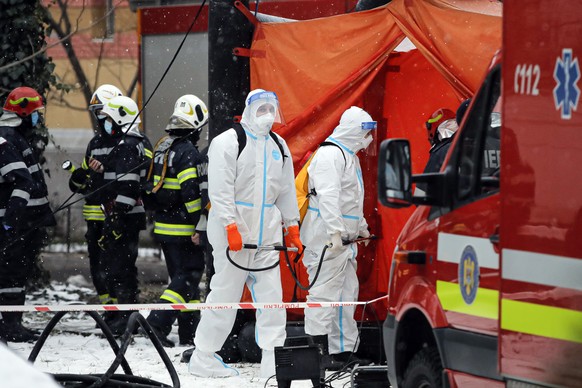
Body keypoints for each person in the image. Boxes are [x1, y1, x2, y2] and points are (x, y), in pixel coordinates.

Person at [188, 89, 303, 379]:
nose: (267, 115)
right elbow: (220, 189)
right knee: (225, 294)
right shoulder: (228, 141)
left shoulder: (279, 146)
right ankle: (204, 356)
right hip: (233, 232)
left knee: (271, 298)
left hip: (266, 233)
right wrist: (229, 225)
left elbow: (287, 190)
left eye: (271, 109)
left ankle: (273, 360)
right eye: (261, 108)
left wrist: (292, 226)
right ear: (249, 109)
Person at [299, 106, 376, 370]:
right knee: (323, 297)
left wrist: (361, 227)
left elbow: (351, 201)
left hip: (344, 242)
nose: (369, 138)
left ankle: (341, 352)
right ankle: (317, 352)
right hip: (327, 241)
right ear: (353, 130)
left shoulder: (349, 157)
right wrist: (334, 231)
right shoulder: (330, 155)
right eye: (365, 132)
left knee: (345, 296)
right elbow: (328, 197)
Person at [144, 95, 209, 347]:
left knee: (183, 281)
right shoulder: (187, 153)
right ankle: (157, 323)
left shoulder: (164, 146)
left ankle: (189, 334)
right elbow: (191, 194)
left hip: (164, 227)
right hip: (183, 228)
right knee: (189, 276)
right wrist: (198, 226)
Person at [89, 95, 152, 335]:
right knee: (120, 265)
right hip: (124, 216)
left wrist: (116, 217)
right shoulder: (130, 143)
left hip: (124, 217)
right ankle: (122, 315)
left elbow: (128, 185)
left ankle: (125, 318)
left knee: (120, 267)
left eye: (108, 119)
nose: (105, 123)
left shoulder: (127, 145)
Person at [0, 87, 56, 342]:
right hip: (16, 224)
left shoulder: (16, 137)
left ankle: (13, 323)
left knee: (16, 272)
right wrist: (11, 221)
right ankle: (11, 325)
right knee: (11, 273)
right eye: (34, 113)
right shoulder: (7, 138)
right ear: (22, 112)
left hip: (25, 222)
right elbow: (22, 183)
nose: (38, 118)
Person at [68, 84, 123, 317]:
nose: (100, 118)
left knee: (118, 266)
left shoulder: (127, 143)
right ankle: (107, 309)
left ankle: (120, 310)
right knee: (97, 266)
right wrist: (78, 178)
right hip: (94, 217)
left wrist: (104, 171)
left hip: (117, 216)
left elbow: (129, 180)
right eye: (97, 112)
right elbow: (82, 184)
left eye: (102, 111)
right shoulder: (95, 144)